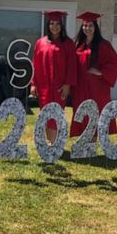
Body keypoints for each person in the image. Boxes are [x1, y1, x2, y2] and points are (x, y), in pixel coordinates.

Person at [70, 11, 117, 138]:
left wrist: (101, 72)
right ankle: (84, 140)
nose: (87, 28)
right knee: (81, 110)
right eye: (85, 26)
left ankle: (92, 141)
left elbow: (115, 62)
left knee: (97, 110)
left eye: (90, 26)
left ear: (95, 27)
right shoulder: (76, 45)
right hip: (80, 87)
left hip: (98, 87)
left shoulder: (103, 45)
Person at [30, 10, 77, 145]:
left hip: (59, 87)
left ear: (61, 25)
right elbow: (35, 64)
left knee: (56, 114)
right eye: (51, 23)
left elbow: (71, 65)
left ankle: (54, 143)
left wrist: (68, 84)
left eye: (57, 23)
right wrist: (34, 84)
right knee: (45, 114)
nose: (54, 26)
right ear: (48, 25)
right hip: (44, 86)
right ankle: (49, 143)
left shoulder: (68, 43)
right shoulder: (40, 42)